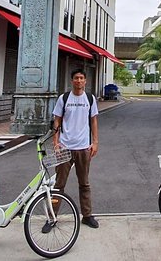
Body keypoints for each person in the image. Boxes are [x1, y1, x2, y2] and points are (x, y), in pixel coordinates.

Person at [48, 69, 100, 230]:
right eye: (76, 78)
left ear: (85, 81)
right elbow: (57, 121)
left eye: (81, 78)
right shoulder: (64, 99)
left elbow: (93, 122)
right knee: (58, 185)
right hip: (65, 147)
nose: (79, 81)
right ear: (72, 81)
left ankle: (87, 215)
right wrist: (56, 142)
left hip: (83, 147)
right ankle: (52, 217)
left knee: (84, 183)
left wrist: (95, 142)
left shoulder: (90, 99)